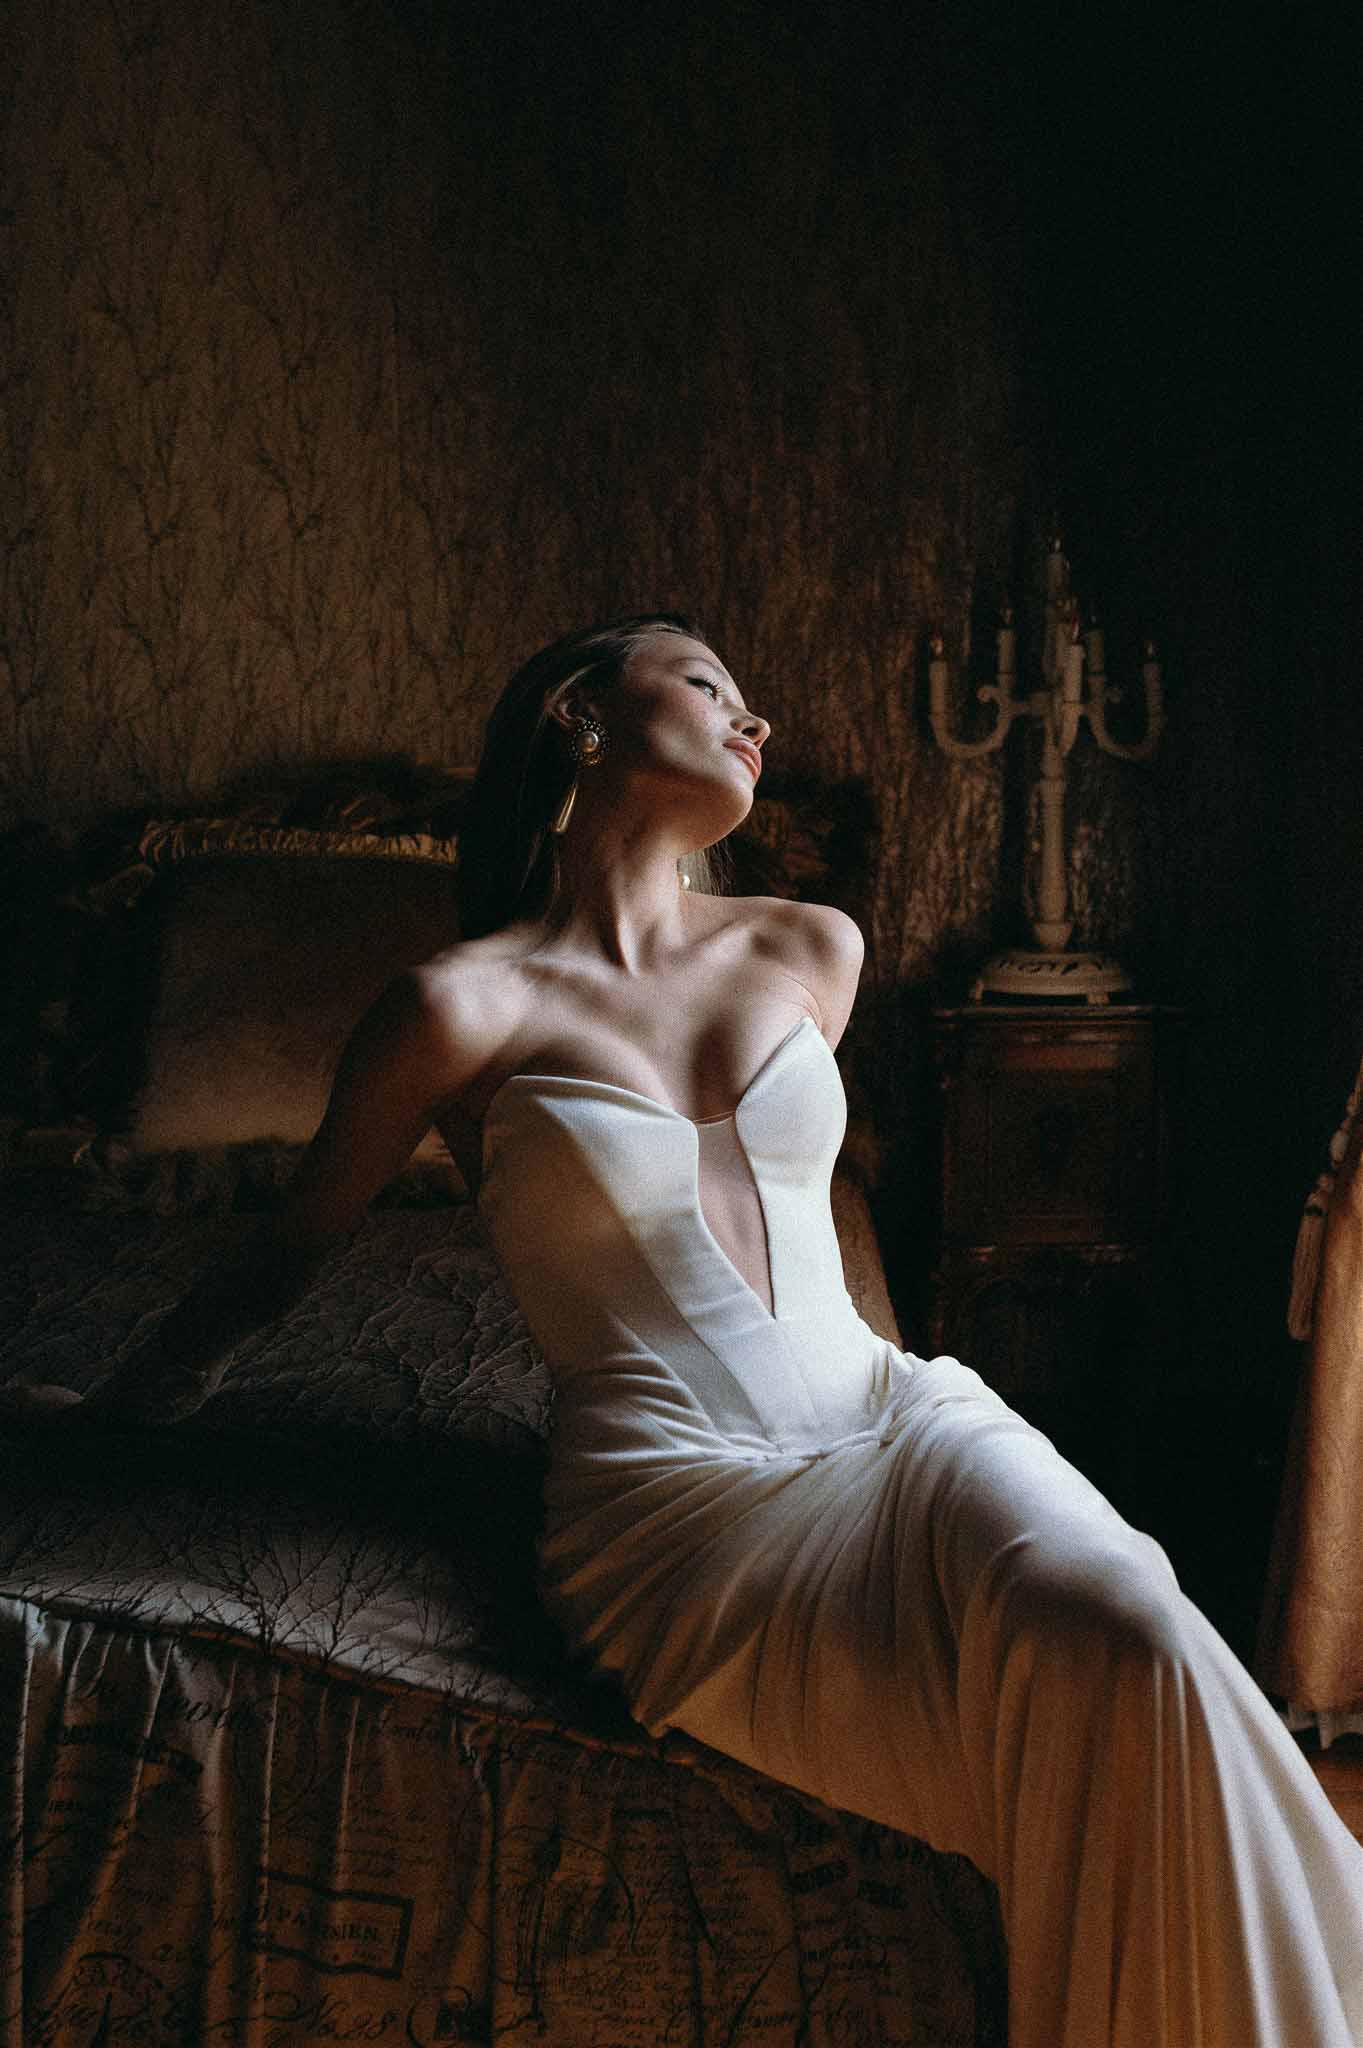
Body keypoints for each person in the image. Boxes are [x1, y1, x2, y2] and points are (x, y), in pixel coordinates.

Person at [8, 612, 1363, 2045]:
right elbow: (285, 1256)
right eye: (711, 682)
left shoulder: (811, 945)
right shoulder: (455, 1010)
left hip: (897, 1415)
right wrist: (112, 1414)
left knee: (1134, 1624)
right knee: (1080, 1729)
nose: (754, 719)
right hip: (683, 1511)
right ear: (581, 717)